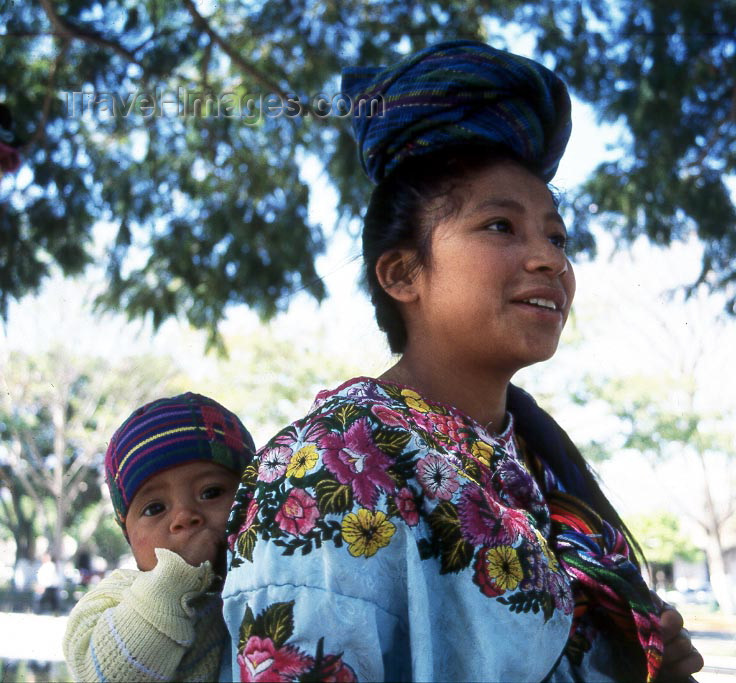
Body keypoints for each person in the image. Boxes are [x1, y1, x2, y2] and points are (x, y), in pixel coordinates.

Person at [222, 40, 704, 682]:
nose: (550, 260)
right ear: (401, 273)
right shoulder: (322, 472)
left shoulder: (544, 469)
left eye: (557, 236)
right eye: (501, 227)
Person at [63, 392, 255, 682]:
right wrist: (175, 578)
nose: (184, 516)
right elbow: (104, 675)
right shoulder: (112, 599)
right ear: (127, 532)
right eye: (155, 508)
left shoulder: (264, 583)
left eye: (211, 492)